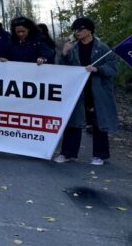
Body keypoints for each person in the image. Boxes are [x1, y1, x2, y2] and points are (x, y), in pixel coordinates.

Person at [54, 17, 118, 166]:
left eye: (80, 29)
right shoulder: (73, 47)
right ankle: (68, 153)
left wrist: (97, 69)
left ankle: (100, 155)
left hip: (97, 91)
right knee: (73, 120)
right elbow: (63, 67)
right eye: (75, 30)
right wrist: (64, 53)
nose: (77, 32)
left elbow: (113, 68)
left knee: (98, 122)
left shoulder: (102, 48)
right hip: (77, 90)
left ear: (89, 30)